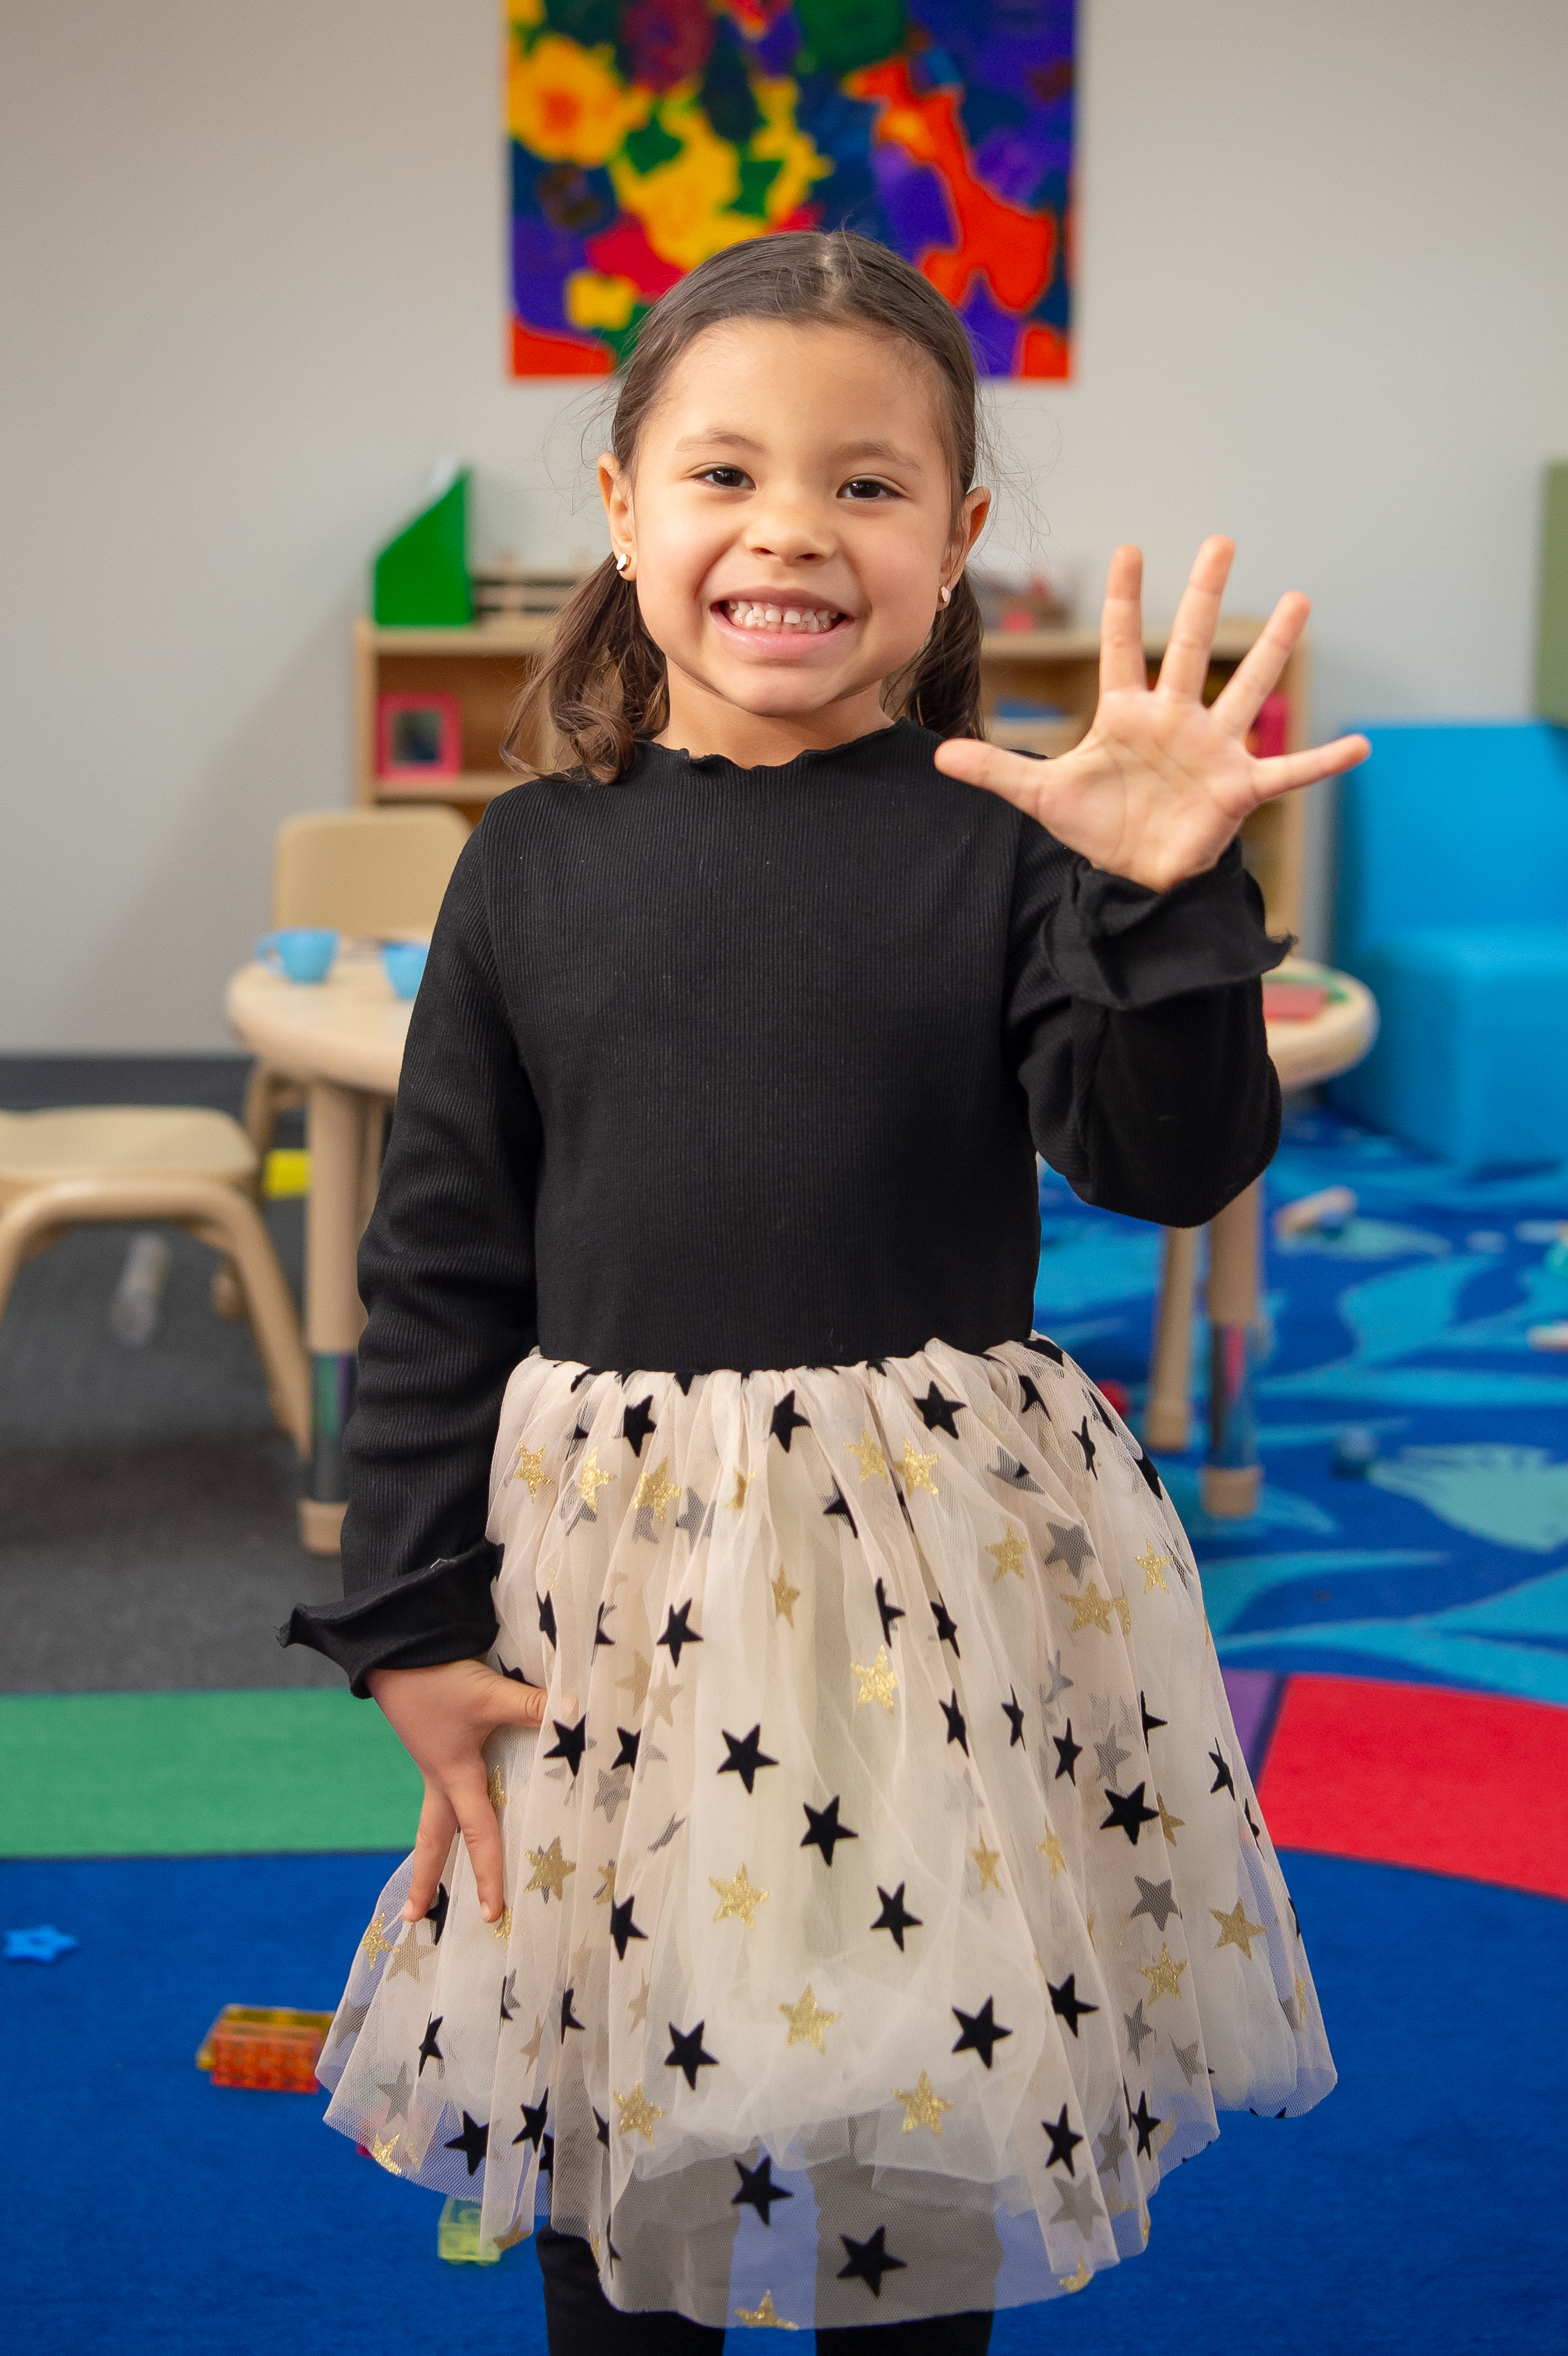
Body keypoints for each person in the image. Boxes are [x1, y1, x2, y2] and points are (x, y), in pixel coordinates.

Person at [285, 231, 1357, 2348]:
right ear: (621, 508)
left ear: (957, 543)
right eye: (724, 476)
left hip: (914, 1597)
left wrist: (1159, 902)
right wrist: (405, 1626)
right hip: (620, 1583)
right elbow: (435, 1270)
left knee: (912, 2095)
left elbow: (1174, 1157)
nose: (792, 530)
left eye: (868, 486)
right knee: (619, 2107)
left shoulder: (1006, 844)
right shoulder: (529, 863)